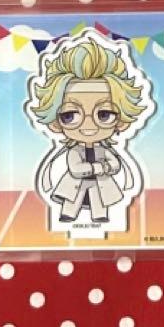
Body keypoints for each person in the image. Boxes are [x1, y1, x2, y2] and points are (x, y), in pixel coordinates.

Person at [28, 34, 149, 225]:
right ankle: (69, 215)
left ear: (122, 121)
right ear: (55, 123)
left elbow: (115, 164)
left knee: (99, 200)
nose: (89, 126)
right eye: (70, 116)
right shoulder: (73, 151)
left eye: (104, 114)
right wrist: (100, 167)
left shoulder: (104, 150)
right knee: (72, 201)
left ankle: (100, 216)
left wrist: (106, 167)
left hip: (100, 183)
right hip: (76, 183)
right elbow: (76, 169)